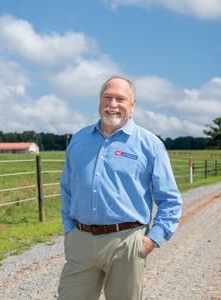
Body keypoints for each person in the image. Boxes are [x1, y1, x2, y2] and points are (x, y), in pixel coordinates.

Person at [58, 75, 182, 300]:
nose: (112, 104)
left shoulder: (150, 144)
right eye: (107, 97)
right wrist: (69, 228)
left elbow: (170, 199)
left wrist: (152, 239)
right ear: (99, 101)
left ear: (132, 106)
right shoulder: (79, 139)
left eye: (120, 99)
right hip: (81, 241)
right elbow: (67, 187)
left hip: (127, 242)